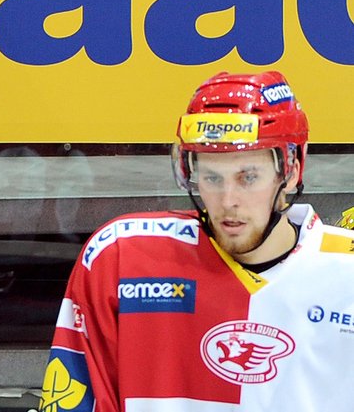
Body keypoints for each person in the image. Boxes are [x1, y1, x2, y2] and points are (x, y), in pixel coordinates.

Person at [37, 70, 354, 411]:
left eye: (248, 177)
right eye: (212, 177)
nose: (228, 199)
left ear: (291, 169)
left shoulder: (345, 271)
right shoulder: (120, 258)